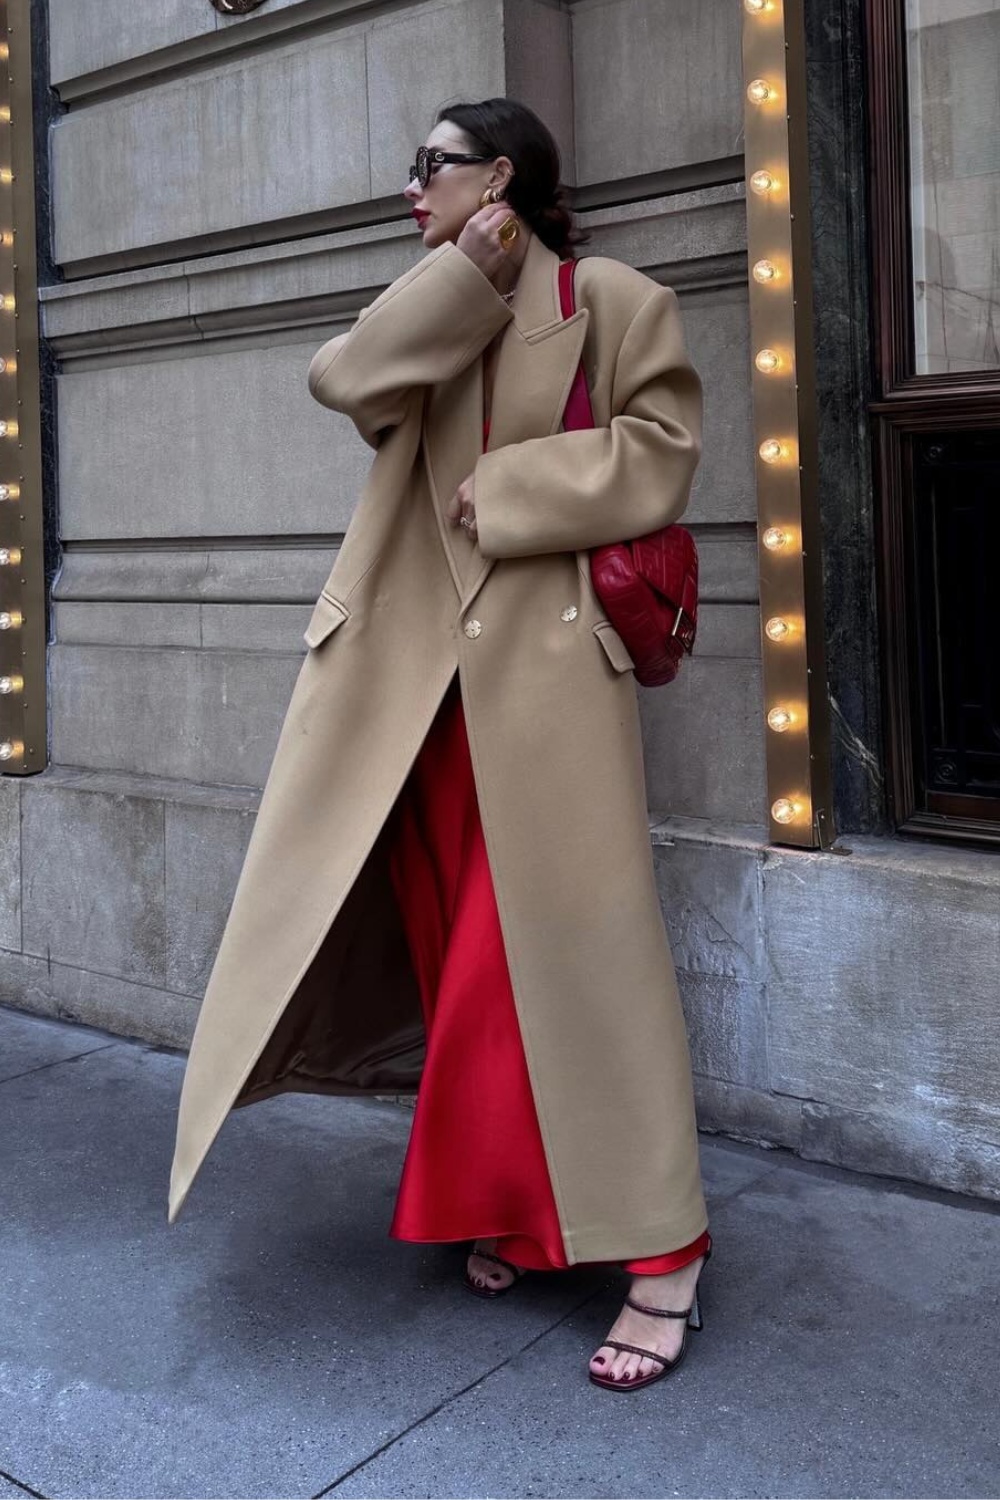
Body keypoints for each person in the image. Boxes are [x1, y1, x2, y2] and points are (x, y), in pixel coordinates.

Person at [169, 97, 711, 1394]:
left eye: (432, 167)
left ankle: (663, 1259)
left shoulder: (615, 298)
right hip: (413, 694)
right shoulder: (434, 304)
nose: (409, 188)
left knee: (574, 960)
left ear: (501, 173)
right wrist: (456, 280)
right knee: (458, 949)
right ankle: (519, 1212)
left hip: (548, 688)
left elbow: (665, 451)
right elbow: (342, 379)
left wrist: (516, 492)